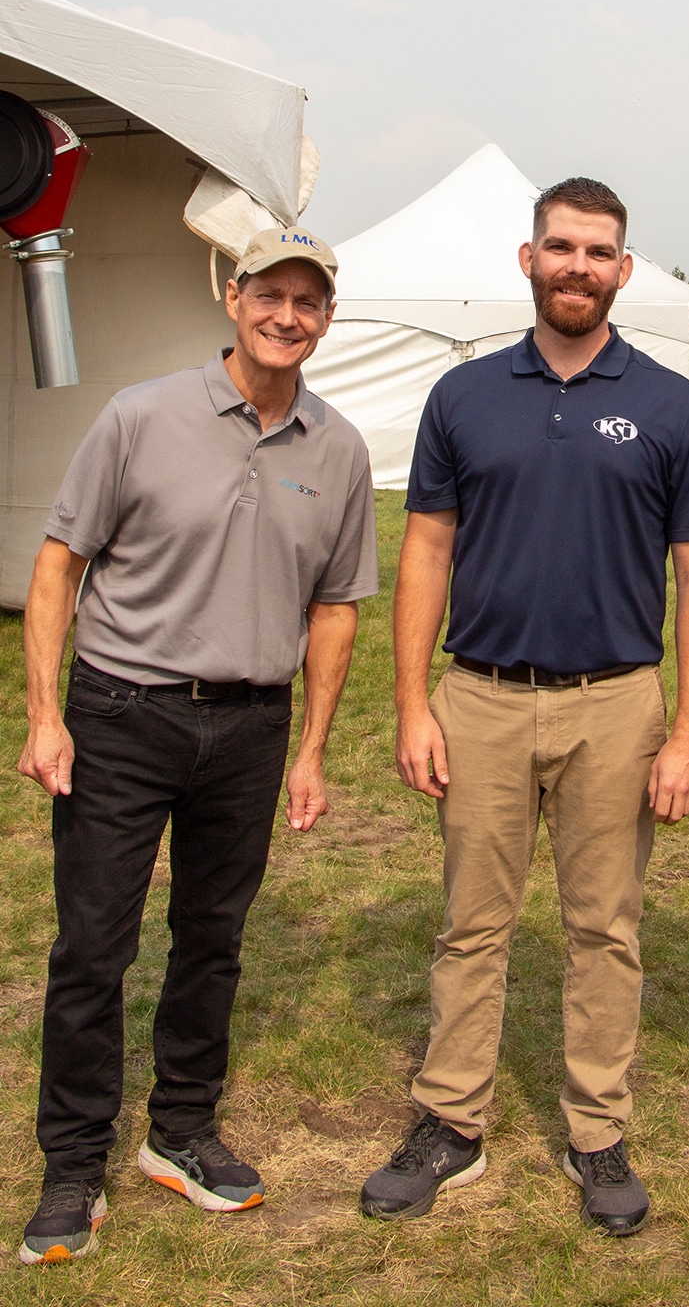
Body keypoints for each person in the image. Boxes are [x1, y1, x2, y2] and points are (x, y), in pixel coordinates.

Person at [360, 177, 689, 1236]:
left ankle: (597, 1132)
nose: (580, 266)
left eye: (600, 252)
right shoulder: (466, 395)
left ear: (624, 270)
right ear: (528, 259)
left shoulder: (669, 403)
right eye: (561, 247)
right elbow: (426, 549)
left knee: (604, 929)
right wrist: (412, 704)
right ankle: (450, 1122)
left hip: (616, 705)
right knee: (471, 923)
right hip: (479, 698)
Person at [17, 226, 378, 1265]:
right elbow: (57, 568)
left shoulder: (339, 448)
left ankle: (179, 1131)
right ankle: (74, 1165)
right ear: (234, 294)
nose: (287, 315)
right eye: (271, 293)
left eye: (309, 301)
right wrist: (47, 715)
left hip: (253, 728)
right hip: (124, 714)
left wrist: (310, 749)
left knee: (212, 939)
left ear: (326, 317)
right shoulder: (141, 415)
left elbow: (338, 608)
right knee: (94, 946)